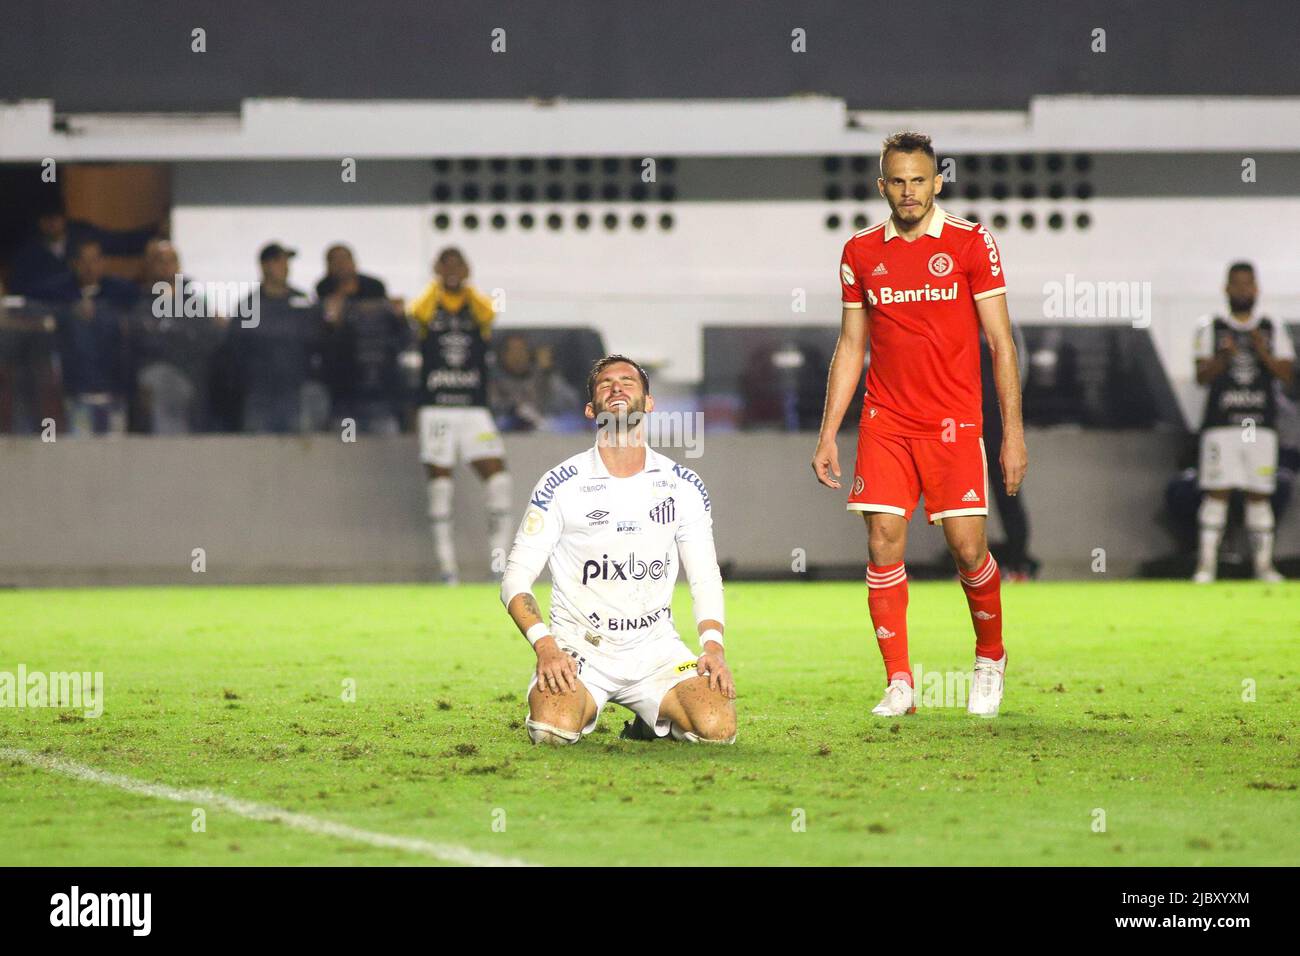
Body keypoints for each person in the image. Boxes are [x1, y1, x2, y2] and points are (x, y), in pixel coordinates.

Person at [811, 131, 1027, 719]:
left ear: (938, 182)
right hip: (886, 421)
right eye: (897, 181)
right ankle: (900, 683)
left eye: (919, 181)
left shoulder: (970, 242)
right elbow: (852, 346)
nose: (909, 192)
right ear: (882, 186)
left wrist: (1011, 433)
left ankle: (989, 658)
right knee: (882, 541)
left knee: (967, 547)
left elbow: (1002, 345)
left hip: (955, 423)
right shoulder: (859, 252)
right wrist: (829, 431)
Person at [500, 354, 736, 746]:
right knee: (552, 731)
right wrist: (546, 646)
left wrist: (713, 647)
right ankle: (587, 701)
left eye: (629, 381)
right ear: (592, 409)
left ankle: (651, 717)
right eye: (606, 383)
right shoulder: (561, 483)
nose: (618, 387)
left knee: (717, 729)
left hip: (657, 651)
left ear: (649, 402)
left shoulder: (683, 485)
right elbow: (514, 579)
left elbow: (705, 577)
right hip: (580, 647)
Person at [407, 247, 512, 584]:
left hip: (473, 408)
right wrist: (439, 287)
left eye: (458, 264)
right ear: (436, 268)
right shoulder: (428, 304)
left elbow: (490, 314)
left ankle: (499, 563)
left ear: (468, 269)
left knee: (499, 480)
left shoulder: (476, 306)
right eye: (445, 263)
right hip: (437, 409)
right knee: (440, 486)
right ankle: (447, 567)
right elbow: (416, 312)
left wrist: (464, 289)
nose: (452, 269)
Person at [1192, 262, 1295, 583]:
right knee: (1216, 493)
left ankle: (1263, 567)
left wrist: (1261, 350)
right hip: (1222, 425)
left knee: (1259, 494)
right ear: (1226, 288)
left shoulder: (1271, 327)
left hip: (1260, 425)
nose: (1242, 290)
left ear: (1256, 288)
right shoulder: (1210, 327)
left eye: (1247, 284)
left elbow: (1287, 375)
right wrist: (1224, 357)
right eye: (1236, 284)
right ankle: (1206, 566)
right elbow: (1201, 376)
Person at [489, 333, 580, 431]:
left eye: (522, 350)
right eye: (512, 351)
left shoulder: (544, 377)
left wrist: (548, 372)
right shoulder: (492, 383)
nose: (517, 356)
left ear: (530, 353)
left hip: (545, 435)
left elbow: (572, 403)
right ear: (502, 355)